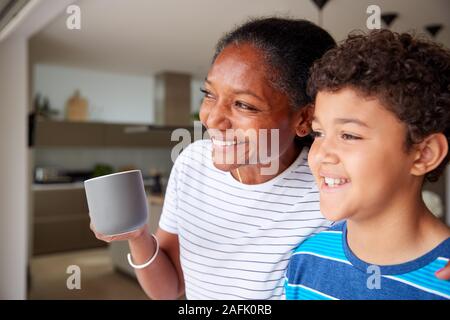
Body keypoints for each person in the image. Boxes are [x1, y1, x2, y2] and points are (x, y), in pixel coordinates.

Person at [90, 19, 450, 300]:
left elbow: (402, 219)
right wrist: (138, 236)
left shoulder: (332, 189)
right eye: (209, 95)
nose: (212, 120)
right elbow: (170, 289)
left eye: (245, 105)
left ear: (303, 119)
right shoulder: (192, 164)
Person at [285, 30, 450, 300]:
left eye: (349, 135)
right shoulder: (306, 259)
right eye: (318, 133)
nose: (321, 154)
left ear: (424, 155)